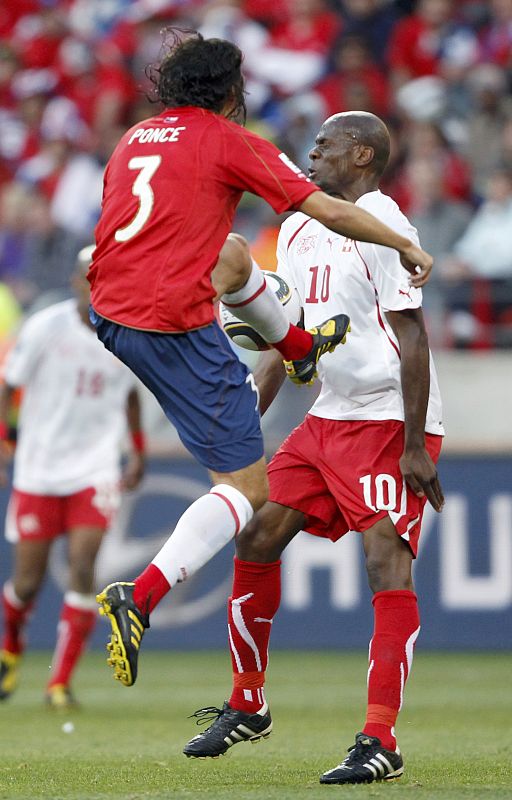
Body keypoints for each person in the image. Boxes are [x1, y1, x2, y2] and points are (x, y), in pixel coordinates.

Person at [89, 31, 433, 689]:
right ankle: (142, 596)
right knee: (248, 490)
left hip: (110, 311)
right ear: (229, 91)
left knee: (237, 252)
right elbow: (329, 207)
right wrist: (403, 245)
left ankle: (298, 349)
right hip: (171, 324)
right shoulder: (228, 140)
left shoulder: (134, 138)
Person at [181, 111, 445, 785]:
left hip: (388, 420)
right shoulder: (299, 227)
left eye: (325, 144)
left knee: (387, 562)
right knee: (257, 536)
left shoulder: (388, 227)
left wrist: (415, 443)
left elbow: (412, 336)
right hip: (328, 415)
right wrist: (245, 417)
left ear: (362, 155)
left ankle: (381, 741)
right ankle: (248, 701)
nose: (311, 151)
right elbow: (289, 335)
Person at [0, 245, 145, 708]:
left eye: (104, 276)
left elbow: (131, 394)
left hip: (95, 467)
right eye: (89, 276)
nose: (95, 284)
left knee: (84, 566)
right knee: (27, 581)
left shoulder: (125, 332)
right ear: (75, 281)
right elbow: (9, 384)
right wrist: (8, 439)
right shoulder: (46, 327)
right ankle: (12, 648)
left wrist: (136, 451)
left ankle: (59, 682)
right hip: (39, 468)